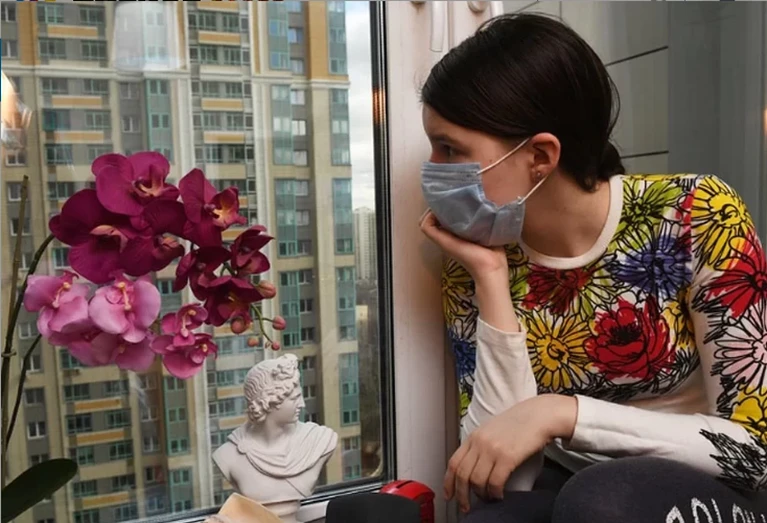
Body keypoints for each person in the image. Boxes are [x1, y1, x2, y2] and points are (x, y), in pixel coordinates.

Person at [419, 13, 767, 523]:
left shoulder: (696, 213)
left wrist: (562, 414)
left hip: (705, 487)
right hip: (569, 489)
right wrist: (489, 277)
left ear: (540, 155)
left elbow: (752, 451)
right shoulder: (473, 258)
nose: (431, 168)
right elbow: (501, 477)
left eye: (450, 149)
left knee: (601, 502)